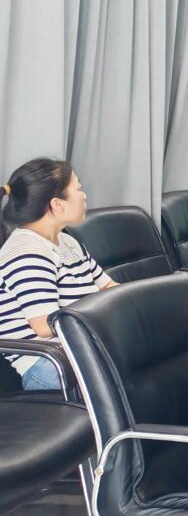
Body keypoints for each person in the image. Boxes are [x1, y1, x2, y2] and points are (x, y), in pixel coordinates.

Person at [0, 159, 115, 391]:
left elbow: (109, 287)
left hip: (81, 350)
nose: (84, 196)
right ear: (57, 205)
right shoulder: (27, 252)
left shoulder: (67, 241)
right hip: (50, 366)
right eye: (78, 189)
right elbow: (44, 325)